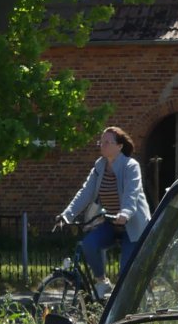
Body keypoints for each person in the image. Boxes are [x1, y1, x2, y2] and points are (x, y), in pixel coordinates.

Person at [57, 126, 151, 296]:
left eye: (108, 142)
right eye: (101, 141)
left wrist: (126, 213)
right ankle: (102, 282)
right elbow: (85, 192)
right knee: (89, 244)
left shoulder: (130, 166)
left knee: (125, 274)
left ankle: (130, 307)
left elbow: (132, 192)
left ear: (119, 146)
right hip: (111, 222)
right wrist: (67, 214)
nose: (103, 145)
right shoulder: (99, 167)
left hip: (133, 225)